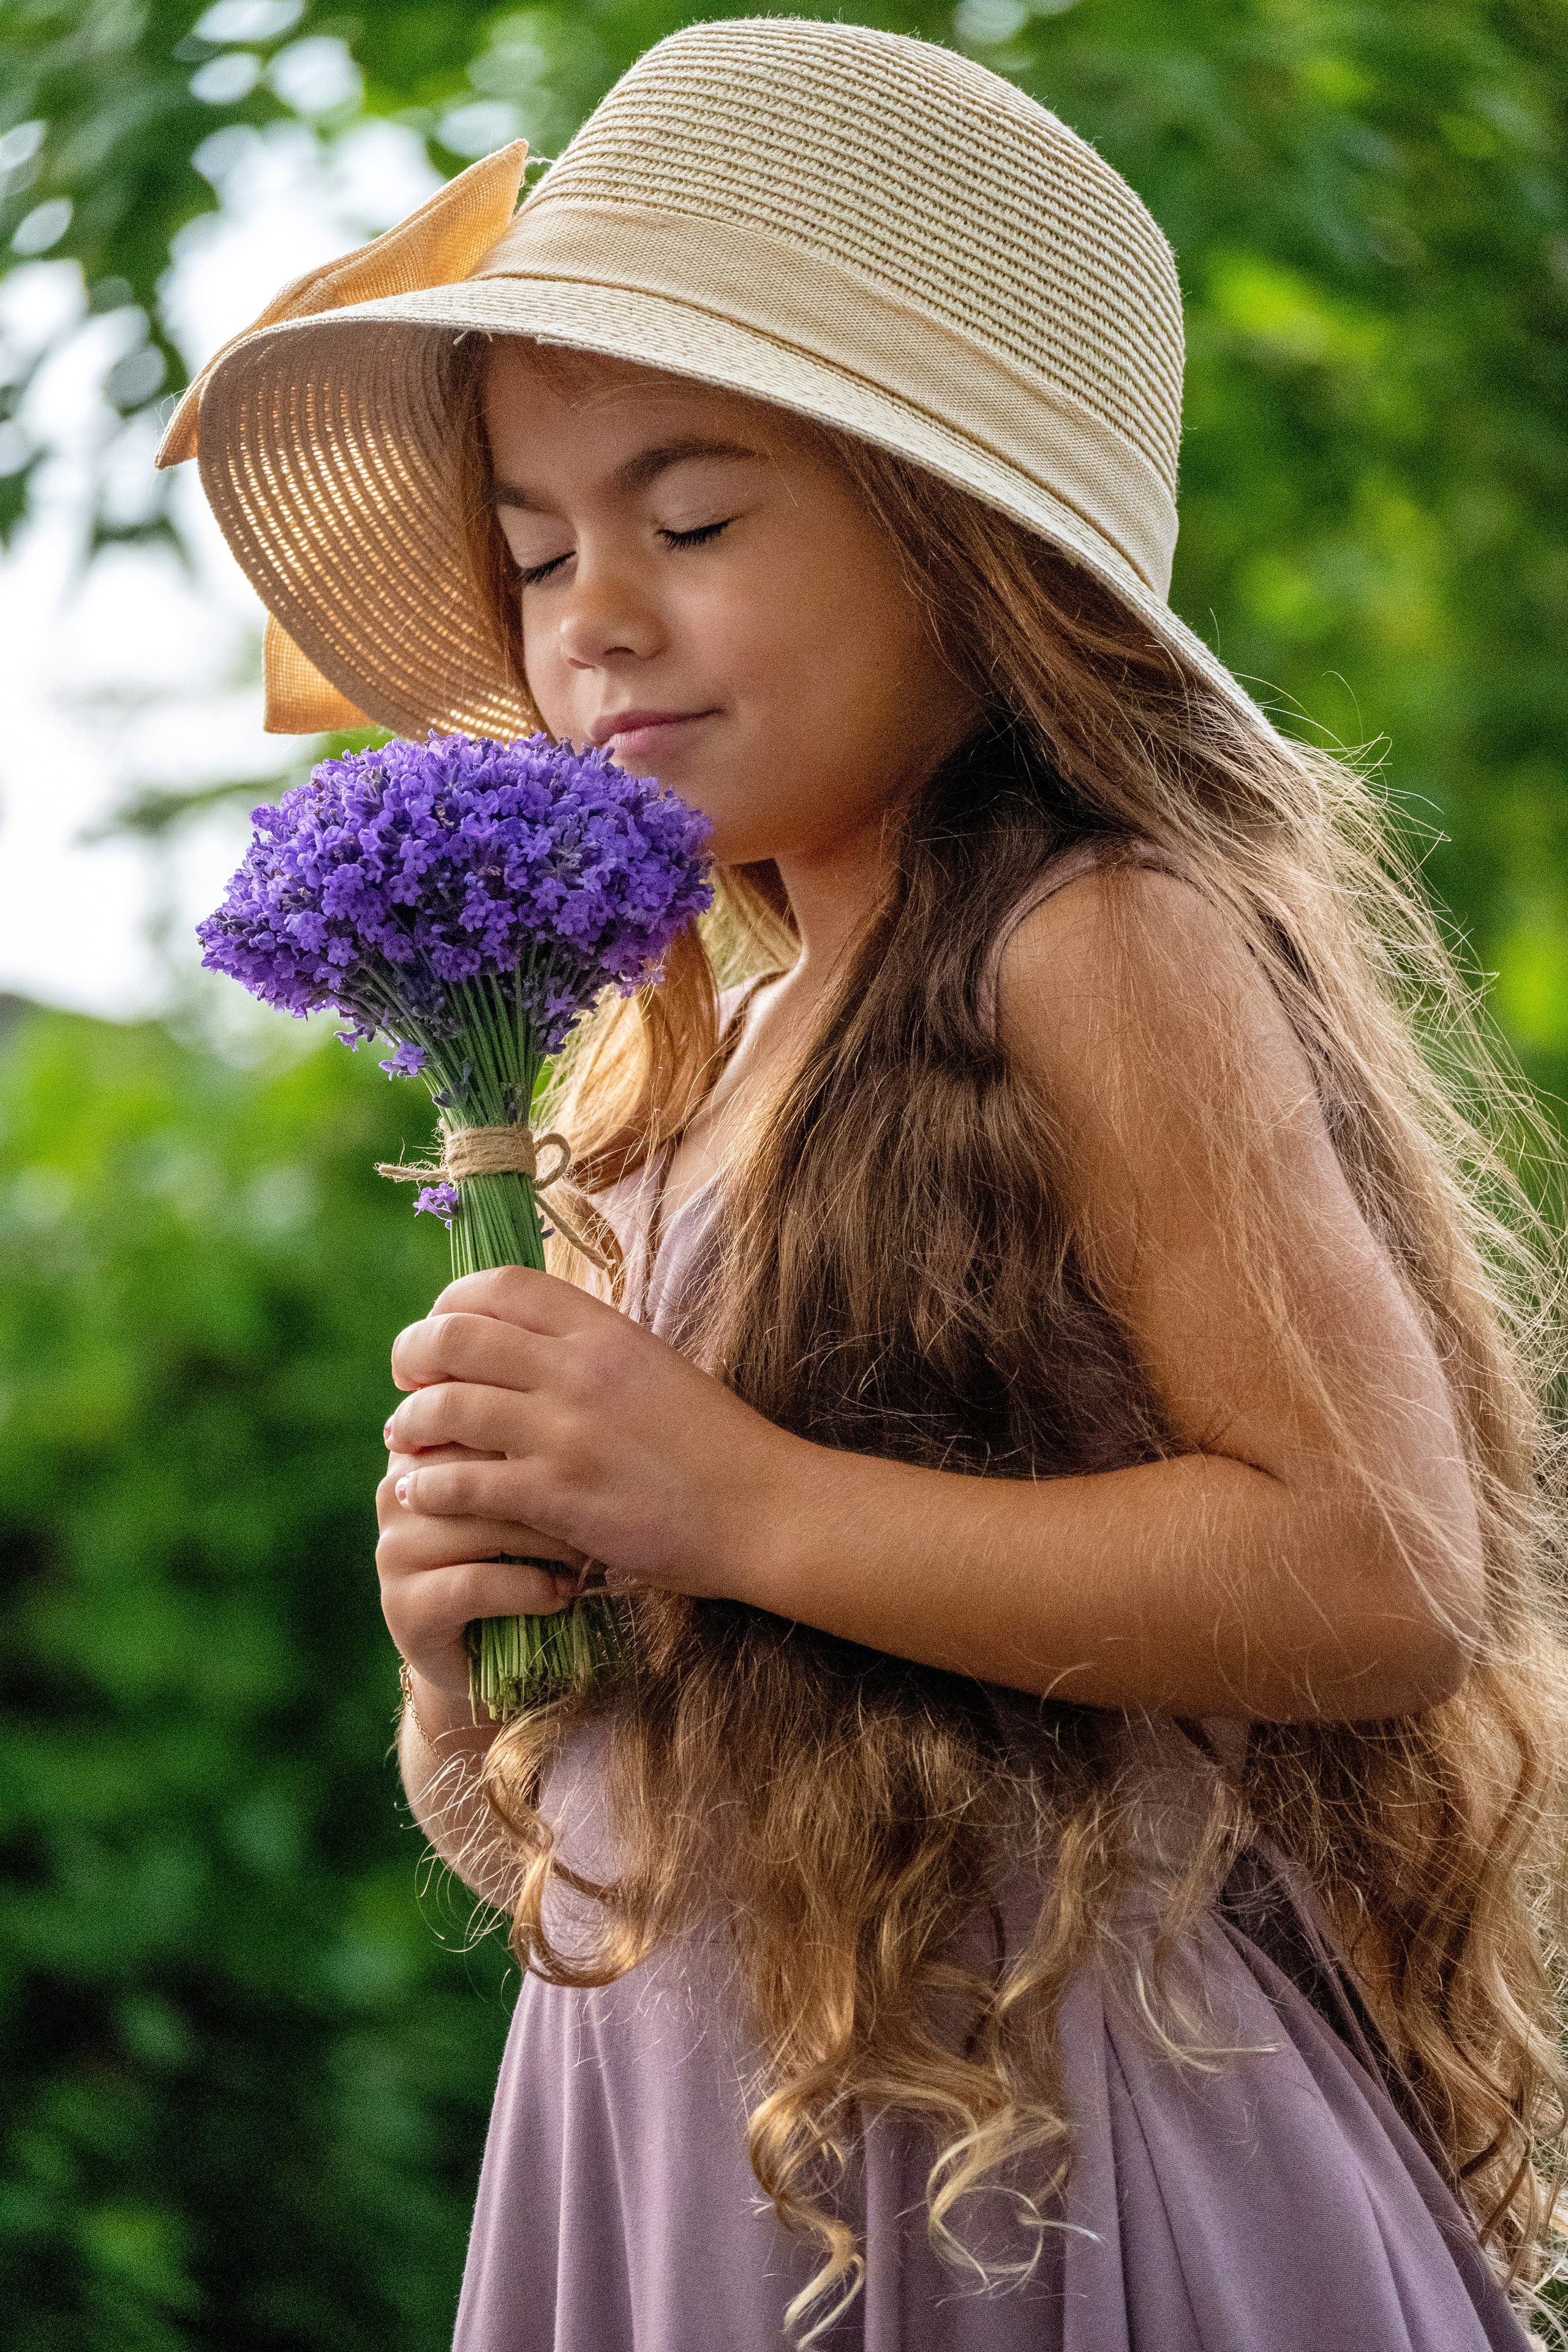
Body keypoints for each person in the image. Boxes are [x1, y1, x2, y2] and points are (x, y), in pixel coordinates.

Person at [162, 19, 1568, 2349]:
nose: (590, 613)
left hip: (1035, 2165)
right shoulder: (666, 1063)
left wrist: (725, 1500)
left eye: (693, 521)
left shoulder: (1097, 934)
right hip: (713, 2142)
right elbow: (613, 1821)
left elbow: (1376, 1573)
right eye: (532, 555)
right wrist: (476, 1651)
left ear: (971, 546)